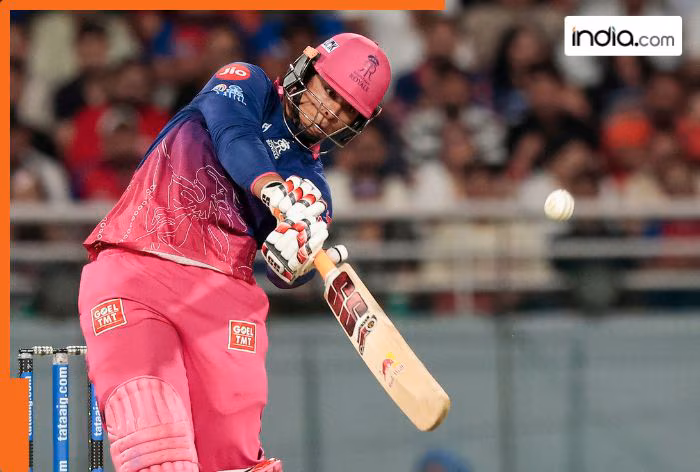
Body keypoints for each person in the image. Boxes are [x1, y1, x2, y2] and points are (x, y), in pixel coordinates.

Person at [77, 32, 391, 472]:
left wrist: (296, 260)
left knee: (231, 457)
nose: (330, 109)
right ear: (306, 69)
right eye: (329, 90)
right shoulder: (246, 81)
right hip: (137, 267)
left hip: (223, 300)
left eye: (346, 108)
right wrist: (274, 192)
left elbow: (284, 274)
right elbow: (233, 135)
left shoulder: (314, 192)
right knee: (154, 439)